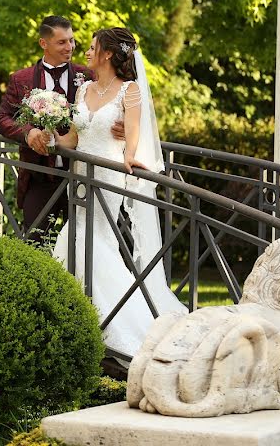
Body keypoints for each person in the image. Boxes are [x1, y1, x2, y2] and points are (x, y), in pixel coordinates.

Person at [50, 27, 185, 359]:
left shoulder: (131, 91)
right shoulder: (83, 93)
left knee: (88, 241)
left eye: (92, 46)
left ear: (108, 53)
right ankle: (89, 320)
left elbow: (134, 137)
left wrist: (130, 158)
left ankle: (116, 325)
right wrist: (51, 124)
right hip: (80, 177)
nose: (86, 51)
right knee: (77, 238)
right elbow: (72, 142)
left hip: (107, 177)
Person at [0, 15, 123, 233]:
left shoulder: (89, 75)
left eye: (72, 40)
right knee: (35, 244)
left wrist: (123, 125)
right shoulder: (21, 79)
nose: (70, 47)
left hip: (83, 177)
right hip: (39, 175)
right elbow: (2, 118)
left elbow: (118, 100)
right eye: (62, 42)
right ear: (44, 44)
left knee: (81, 244)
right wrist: (28, 133)